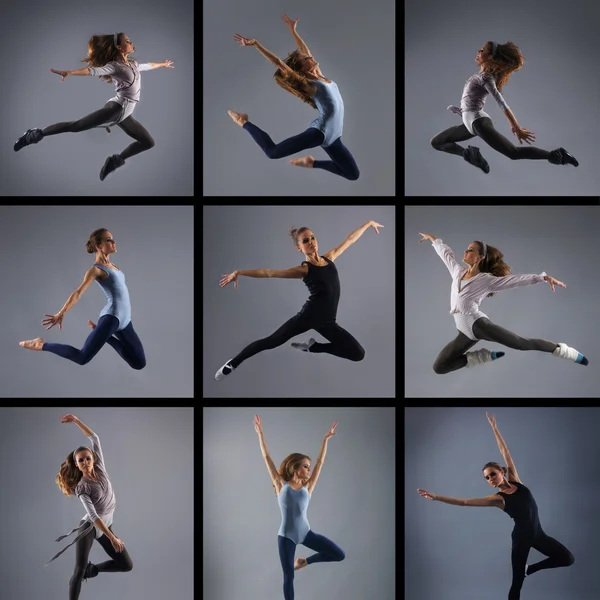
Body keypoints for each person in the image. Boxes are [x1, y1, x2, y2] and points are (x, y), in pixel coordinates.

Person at [418, 412, 574, 600]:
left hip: (539, 535)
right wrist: (436, 497)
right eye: (487, 478)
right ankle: (522, 574)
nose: (490, 479)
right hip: (521, 540)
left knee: (567, 558)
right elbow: (465, 502)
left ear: (502, 471)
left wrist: (494, 428)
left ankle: (529, 569)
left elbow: (505, 452)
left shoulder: (516, 481)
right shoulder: (498, 499)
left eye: (492, 474)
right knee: (516, 586)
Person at [215, 221, 384, 380]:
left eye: (312, 238)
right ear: (299, 247)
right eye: (305, 241)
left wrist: (368, 224)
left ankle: (314, 347)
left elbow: (350, 239)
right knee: (271, 342)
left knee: (357, 354)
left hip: (328, 322)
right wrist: (239, 272)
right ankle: (233, 362)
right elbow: (269, 272)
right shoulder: (304, 270)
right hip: (308, 316)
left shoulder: (329, 258)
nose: (311, 242)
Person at [418, 231, 588, 373]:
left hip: (478, 325)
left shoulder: (485, 280)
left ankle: (563, 350)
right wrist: (433, 239)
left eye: (470, 250)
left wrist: (542, 278)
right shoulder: (457, 272)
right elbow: (445, 254)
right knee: (439, 367)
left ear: (480, 257)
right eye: (466, 249)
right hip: (464, 331)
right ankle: (481, 357)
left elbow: (516, 280)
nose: (465, 252)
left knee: (521, 343)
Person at [13, 32, 174, 181]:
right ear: (119, 47)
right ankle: (33, 135)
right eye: (127, 41)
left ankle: (113, 162)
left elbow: (148, 65)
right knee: (76, 126)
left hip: (125, 114)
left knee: (148, 142)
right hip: (115, 109)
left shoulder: (133, 64)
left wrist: (163, 64)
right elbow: (93, 71)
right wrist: (70, 72)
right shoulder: (115, 66)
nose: (131, 42)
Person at [226, 15, 360, 181]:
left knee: (352, 174)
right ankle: (244, 122)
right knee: (272, 152)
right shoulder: (310, 85)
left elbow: (304, 49)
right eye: (305, 59)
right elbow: (279, 63)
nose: (309, 56)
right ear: (302, 70)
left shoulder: (321, 77)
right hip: (320, 133)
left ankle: (312, 163)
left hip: (335, 136)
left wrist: (293, 30)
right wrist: (256, 44)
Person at [430, 41, 579, 173]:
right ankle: (469, 155)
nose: (478, 51)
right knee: (437, 142)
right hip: (470, 122)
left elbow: (501, 102)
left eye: (482, 50)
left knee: (513, 153)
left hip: (478, 121)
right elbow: (471, 100)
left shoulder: (486, 77)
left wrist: (516, 127)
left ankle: (558, 155)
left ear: (490, 56)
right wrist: (462, 111)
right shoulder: (480, 75)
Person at [19, 228, 146, 369]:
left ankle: (106, 336)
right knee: (82, 357)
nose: (114, 242)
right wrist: (62, 312)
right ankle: (41, 344)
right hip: (112, 318)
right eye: (108, 240)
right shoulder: (96, 270)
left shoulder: (114, 267)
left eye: (112, 239)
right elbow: (78, 293)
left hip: (125, 320)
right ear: (99, 246)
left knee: (139, 362)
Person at [254, 414, 345, 600]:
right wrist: (260, 434)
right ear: (296, 468)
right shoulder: (281, 485)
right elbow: (266, 457)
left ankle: (304, 562)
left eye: (309, 467)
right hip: (286, 536)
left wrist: (325, 440)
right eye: (306, 466)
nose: (309, 470)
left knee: (339, 554)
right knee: (288, 575)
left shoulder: (308, 487)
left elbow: (320, 463)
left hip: (305, 533)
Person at [48, 415, 133, 600]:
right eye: (81, 461)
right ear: (77, 465)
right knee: (78, 571)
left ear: (93, 459)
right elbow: (93, 517)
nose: (85, 462)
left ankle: (92, 570)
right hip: (89, 528)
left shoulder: (100, 467)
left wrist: (77, 421)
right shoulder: (82, 487)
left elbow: (94, 439)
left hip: (106, 526)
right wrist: (112, 539)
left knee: (126, 565)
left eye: (87, 458)